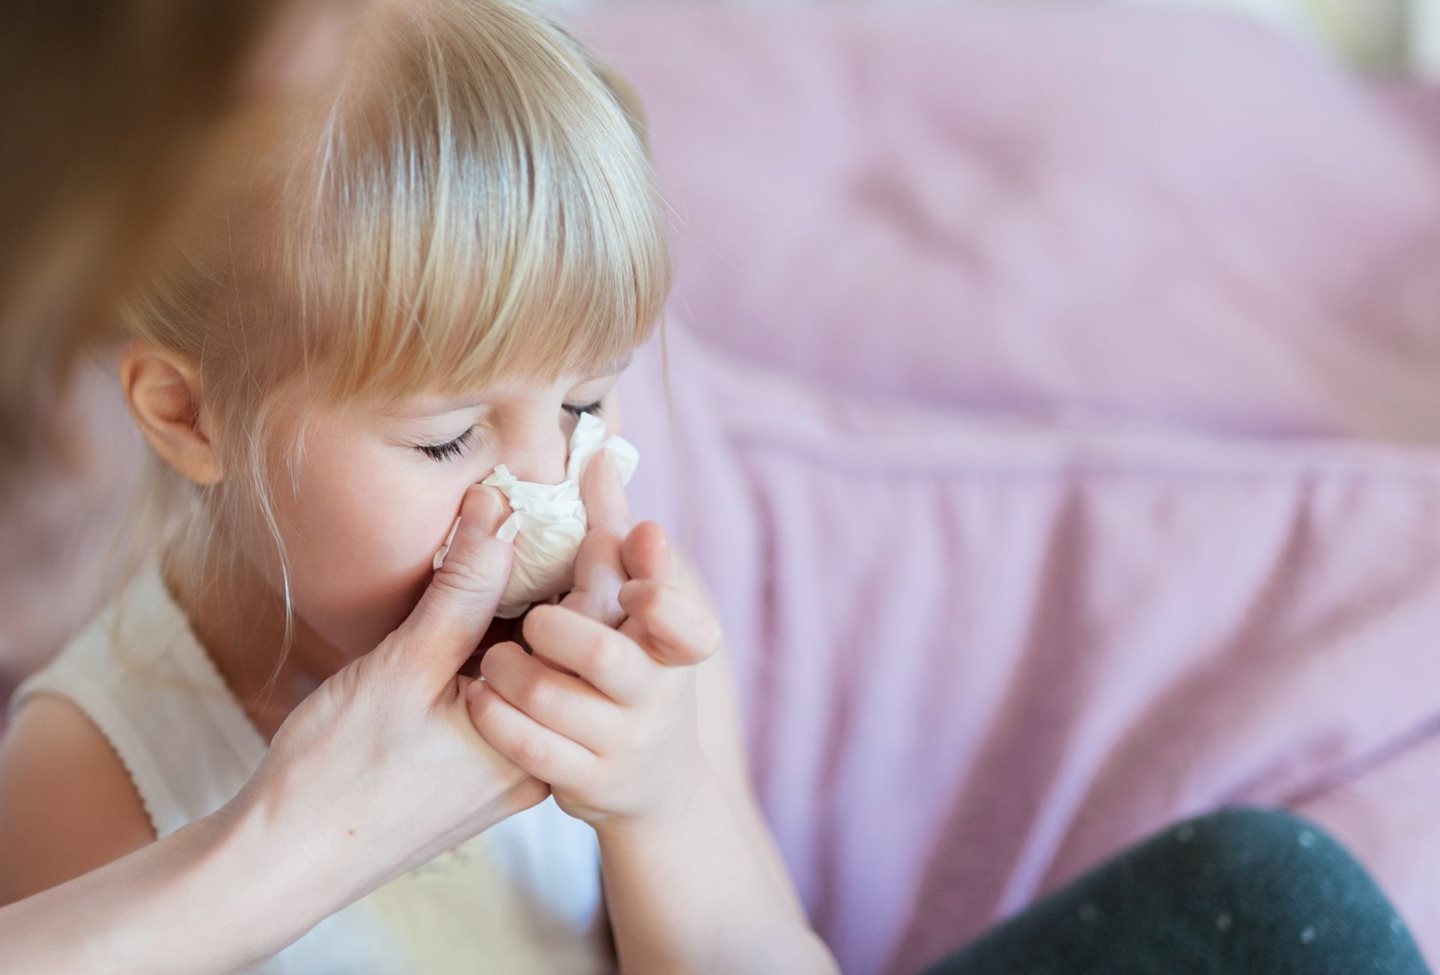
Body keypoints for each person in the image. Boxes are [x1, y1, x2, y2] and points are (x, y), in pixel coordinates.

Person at [0, 0, 837, 971]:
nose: (544, 491)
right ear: (191, 417)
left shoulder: (632, 658)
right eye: (446, 441)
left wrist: (664, 802)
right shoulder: (91, 768)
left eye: (587, 405)